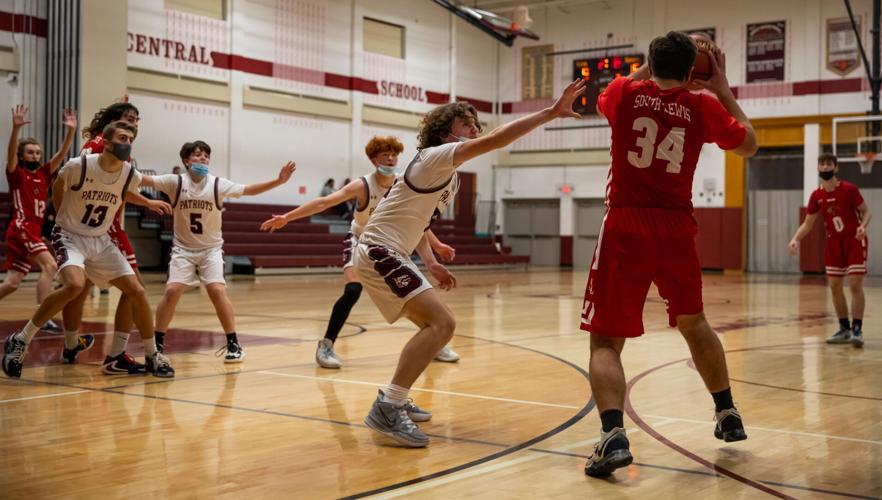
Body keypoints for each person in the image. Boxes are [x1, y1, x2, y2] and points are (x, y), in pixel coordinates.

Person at [354, 81, 586, 447]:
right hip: (380, 251)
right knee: (442, 323)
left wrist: (430, 262)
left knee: (434, 328)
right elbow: (498, 141)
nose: (475, 130)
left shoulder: (449, 175)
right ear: (447, 131)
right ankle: (388, 405)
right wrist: (550, 113)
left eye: (476, 124)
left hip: (392, 251)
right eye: (467, 125)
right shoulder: (434, 157)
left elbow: (417, 224)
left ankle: (396, 397)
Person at [579, 32, 758, 477]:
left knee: (605, 338)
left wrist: (651, 66)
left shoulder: (623, 92)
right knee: (694, 322)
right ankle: (727, 412)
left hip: (625, 224)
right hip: (677, 227)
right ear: (694, 71)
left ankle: (613, 435)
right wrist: (721, 88)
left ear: (649, 62)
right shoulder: (704, 105)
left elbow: (627, 87)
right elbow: (749, 143)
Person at [260, 136, 458, 369]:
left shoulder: (404, 183)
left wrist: (437, 246)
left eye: (394, 154)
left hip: (388, 245)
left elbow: (418, 221)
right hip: (360, 242)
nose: (391, 159)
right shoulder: (363, 185)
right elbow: (324, 202)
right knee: (353, 290)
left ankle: (434, 340)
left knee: (409, 293)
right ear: (374, 159)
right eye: (386, 155)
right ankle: (326, 344)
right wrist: (287, 217)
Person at [2, 120, 174, 378]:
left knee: (136, 290)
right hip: (70, 236)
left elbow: (126, 191)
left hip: (100, 239)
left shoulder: (128, 172)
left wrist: (148, 201)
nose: (127, 143)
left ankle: (147, 354)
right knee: (74, 285)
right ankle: (21, 340)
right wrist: (64, 219)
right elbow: (58, 188)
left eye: (130, 139)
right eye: (122, 138)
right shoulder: (78, 166)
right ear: (105, 142)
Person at [143, 141, 296, 362]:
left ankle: (233, 342)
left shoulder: (217, 184)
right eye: (198, 155)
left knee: (216, 290)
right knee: (172, 291)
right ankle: (157, 343)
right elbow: (143, 179)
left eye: (206, 156)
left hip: (210, 249)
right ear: (186, 161)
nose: (203, 159)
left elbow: (249, 190)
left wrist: (279, 181)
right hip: (183, 249)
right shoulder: (174, 182)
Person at [60, 100, 149, 374]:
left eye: (136, 119)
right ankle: (117, 354)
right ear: (114, 122)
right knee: (135, 287)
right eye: (127, 118)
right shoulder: (104, 146)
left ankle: (71, 344)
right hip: (103, 225)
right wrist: (149, 202)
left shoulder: (102, 142)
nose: (133, 122)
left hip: (90, 222)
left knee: (81, 287)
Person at [0, 105, 77, 334]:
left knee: (12, 283)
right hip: (22, 227)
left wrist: (71, 131)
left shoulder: (43, 173)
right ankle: (42, 316)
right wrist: (15, 130)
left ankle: (41, 316)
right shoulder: (17, 174)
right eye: (30, 152)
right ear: (22, 156)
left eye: (37, 152)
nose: (35, 155)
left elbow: (61, 154)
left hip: (31, 229)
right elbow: (10, 154)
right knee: (50, 265)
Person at [788, 154, 870, 348]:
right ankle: (844, 328)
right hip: (833, 243)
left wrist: (863, 226)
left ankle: (857, 329)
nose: (825, 167)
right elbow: (808, 223)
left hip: (854, 240)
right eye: (822, 164)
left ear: (836, 167)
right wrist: (795, 239)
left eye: (829, 164)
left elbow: (866, 211)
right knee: (834, 286)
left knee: (855, 285)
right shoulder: (817, 195)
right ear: (818, 168)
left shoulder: (849, 189)